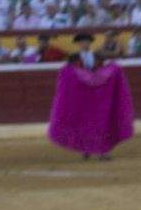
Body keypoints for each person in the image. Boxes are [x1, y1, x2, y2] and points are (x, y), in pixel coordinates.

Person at [48, 33, 135, 161]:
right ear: (78, 44)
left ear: (90, 43)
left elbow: (103, 73)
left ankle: (103, 151)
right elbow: (70, 75)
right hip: (81, 98)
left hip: (99, 97)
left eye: (87, 42)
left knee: (101, 123)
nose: (85, 44)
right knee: (83, 123)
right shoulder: (73, 58)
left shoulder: (98, 56)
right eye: (82, 42)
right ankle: (86, 149)